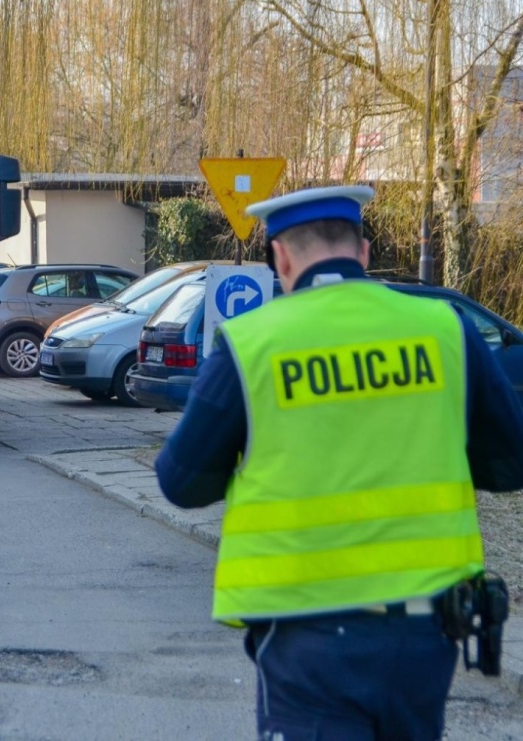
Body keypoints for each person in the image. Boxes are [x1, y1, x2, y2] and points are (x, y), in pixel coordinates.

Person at [155, 185, 523, 740]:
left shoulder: (254, 343)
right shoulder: (447, 329)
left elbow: (180, 481)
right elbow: (512, 462)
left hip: (308, 643)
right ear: (365, 253)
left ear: (281, 257)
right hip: (424, 637)